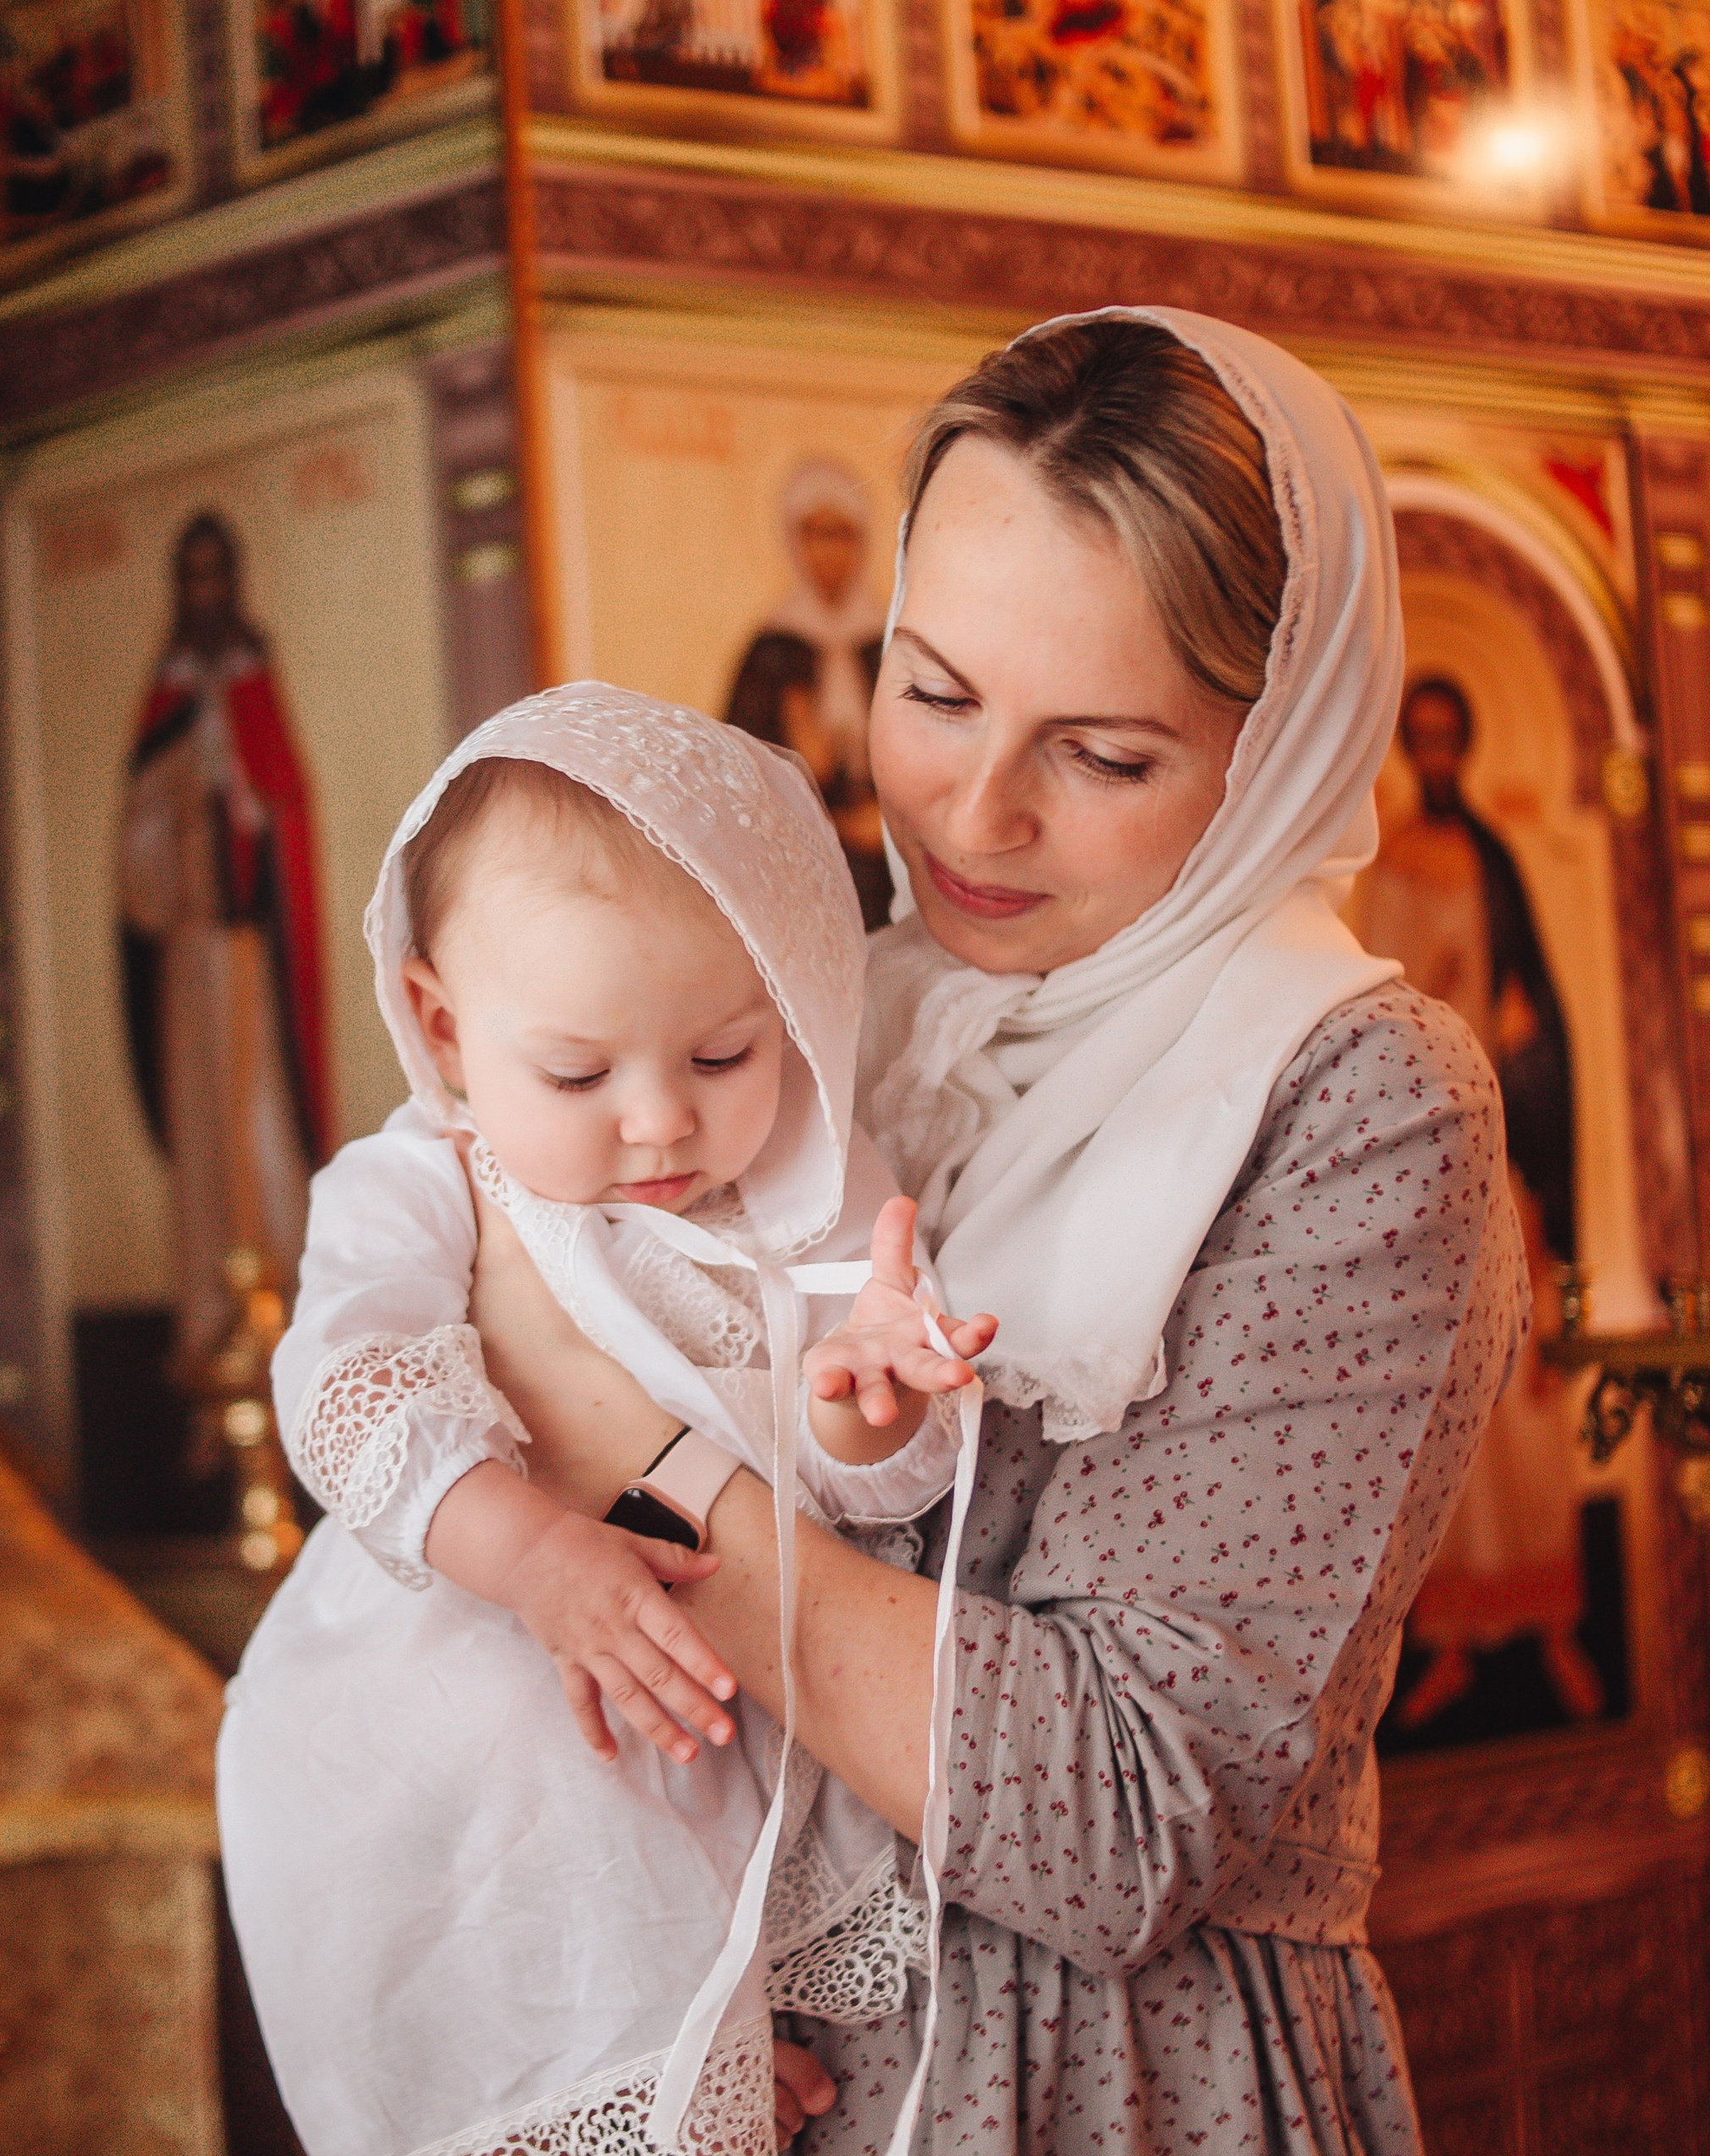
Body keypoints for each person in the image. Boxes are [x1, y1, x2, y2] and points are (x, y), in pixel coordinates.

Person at [462, 308, 1529, 2151]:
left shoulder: (1356, 1101)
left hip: (1101, 2082)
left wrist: (614, 1439)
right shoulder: (811, 1017)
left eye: (1102, 756)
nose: (972, 810)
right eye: (934, 691)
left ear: (1279, 751)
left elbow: (1117, 1822)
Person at [216, 687, 997, 2155]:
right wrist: (531, 1556)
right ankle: (636, 2075)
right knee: (520, 1846)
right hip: (470, 1681)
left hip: (727, 1716)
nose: (659, 1123)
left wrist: (867, 1409)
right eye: (579, 1074)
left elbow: (857, 1492)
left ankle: (695, 2054)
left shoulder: (813, 1185)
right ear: (444, 1026)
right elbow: (348, 1387)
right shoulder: (428, 1178)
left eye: (724, 1057)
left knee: (683, 1906)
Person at [1357, 675, 1600, 1730]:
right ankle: (1451, 1639)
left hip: (1499, 1144)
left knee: (1525, 1402)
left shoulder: (1493, 859)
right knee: (1451, 1407)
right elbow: (1383, 996)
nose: (1438, 754)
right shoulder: (1391, 864)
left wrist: (1518, 1030)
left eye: (1451, 736)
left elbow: (1532, 1002)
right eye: (1423, 738)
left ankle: (1551, 1623)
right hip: (1432, 1152)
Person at [119, 511, 331, 1375]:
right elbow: (135, 847)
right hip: (188, 955)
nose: (205, 594)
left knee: (265, 1125)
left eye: (217, 575)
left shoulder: (252, 676)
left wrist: (243, 802)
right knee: (206, 1137)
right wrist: (173, 832)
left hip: (250, 951)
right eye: (192, 577)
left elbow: (285, 804)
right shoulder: (166, 695)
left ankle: (291, 1322)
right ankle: (211, 1330)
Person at [727, 462, 894, 930]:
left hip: (887, 853)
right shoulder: (772, 650)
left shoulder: (887, 643)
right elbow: (739, 765)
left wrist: (889, 822)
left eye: (842, 535)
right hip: (799, 859)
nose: (829, 552)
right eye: (816, 534)